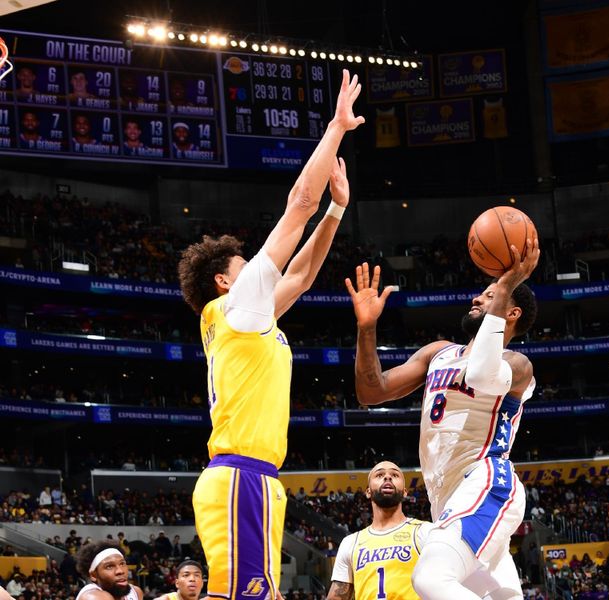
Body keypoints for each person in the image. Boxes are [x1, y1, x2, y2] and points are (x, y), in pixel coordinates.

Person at [177, 69, 364, 600]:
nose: (263, 266)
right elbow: (297, 204)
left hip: (251, 478)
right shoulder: (236, 305)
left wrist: (337, 209)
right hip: (240, 476)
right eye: (248, 262)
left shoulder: (247, 318)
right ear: (223, 278)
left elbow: (302, 277)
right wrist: (335, 129)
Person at [347, 238, 540, 600]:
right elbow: (371, 393)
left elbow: (483, 374)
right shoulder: (439, 353)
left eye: (490, 295)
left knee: (430, 580)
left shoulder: (517, 365)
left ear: (510, 313)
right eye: (483, 293)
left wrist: (507, 283)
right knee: (504, 597)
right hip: (448, 500)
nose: (477, 299)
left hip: (485, 482)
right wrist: (367, 327)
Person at [327, 461, 431, 600]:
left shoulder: (425, 532)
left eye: (394, 475)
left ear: (405, 492)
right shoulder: (350, 543)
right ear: (368, 491)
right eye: (380, 475)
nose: (387, 477)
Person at [75, 540, 143, 600]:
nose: (120, 571)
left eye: (122, 563)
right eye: (109, 567)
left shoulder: (136, 592)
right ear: (93, 575)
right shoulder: (92, 596)